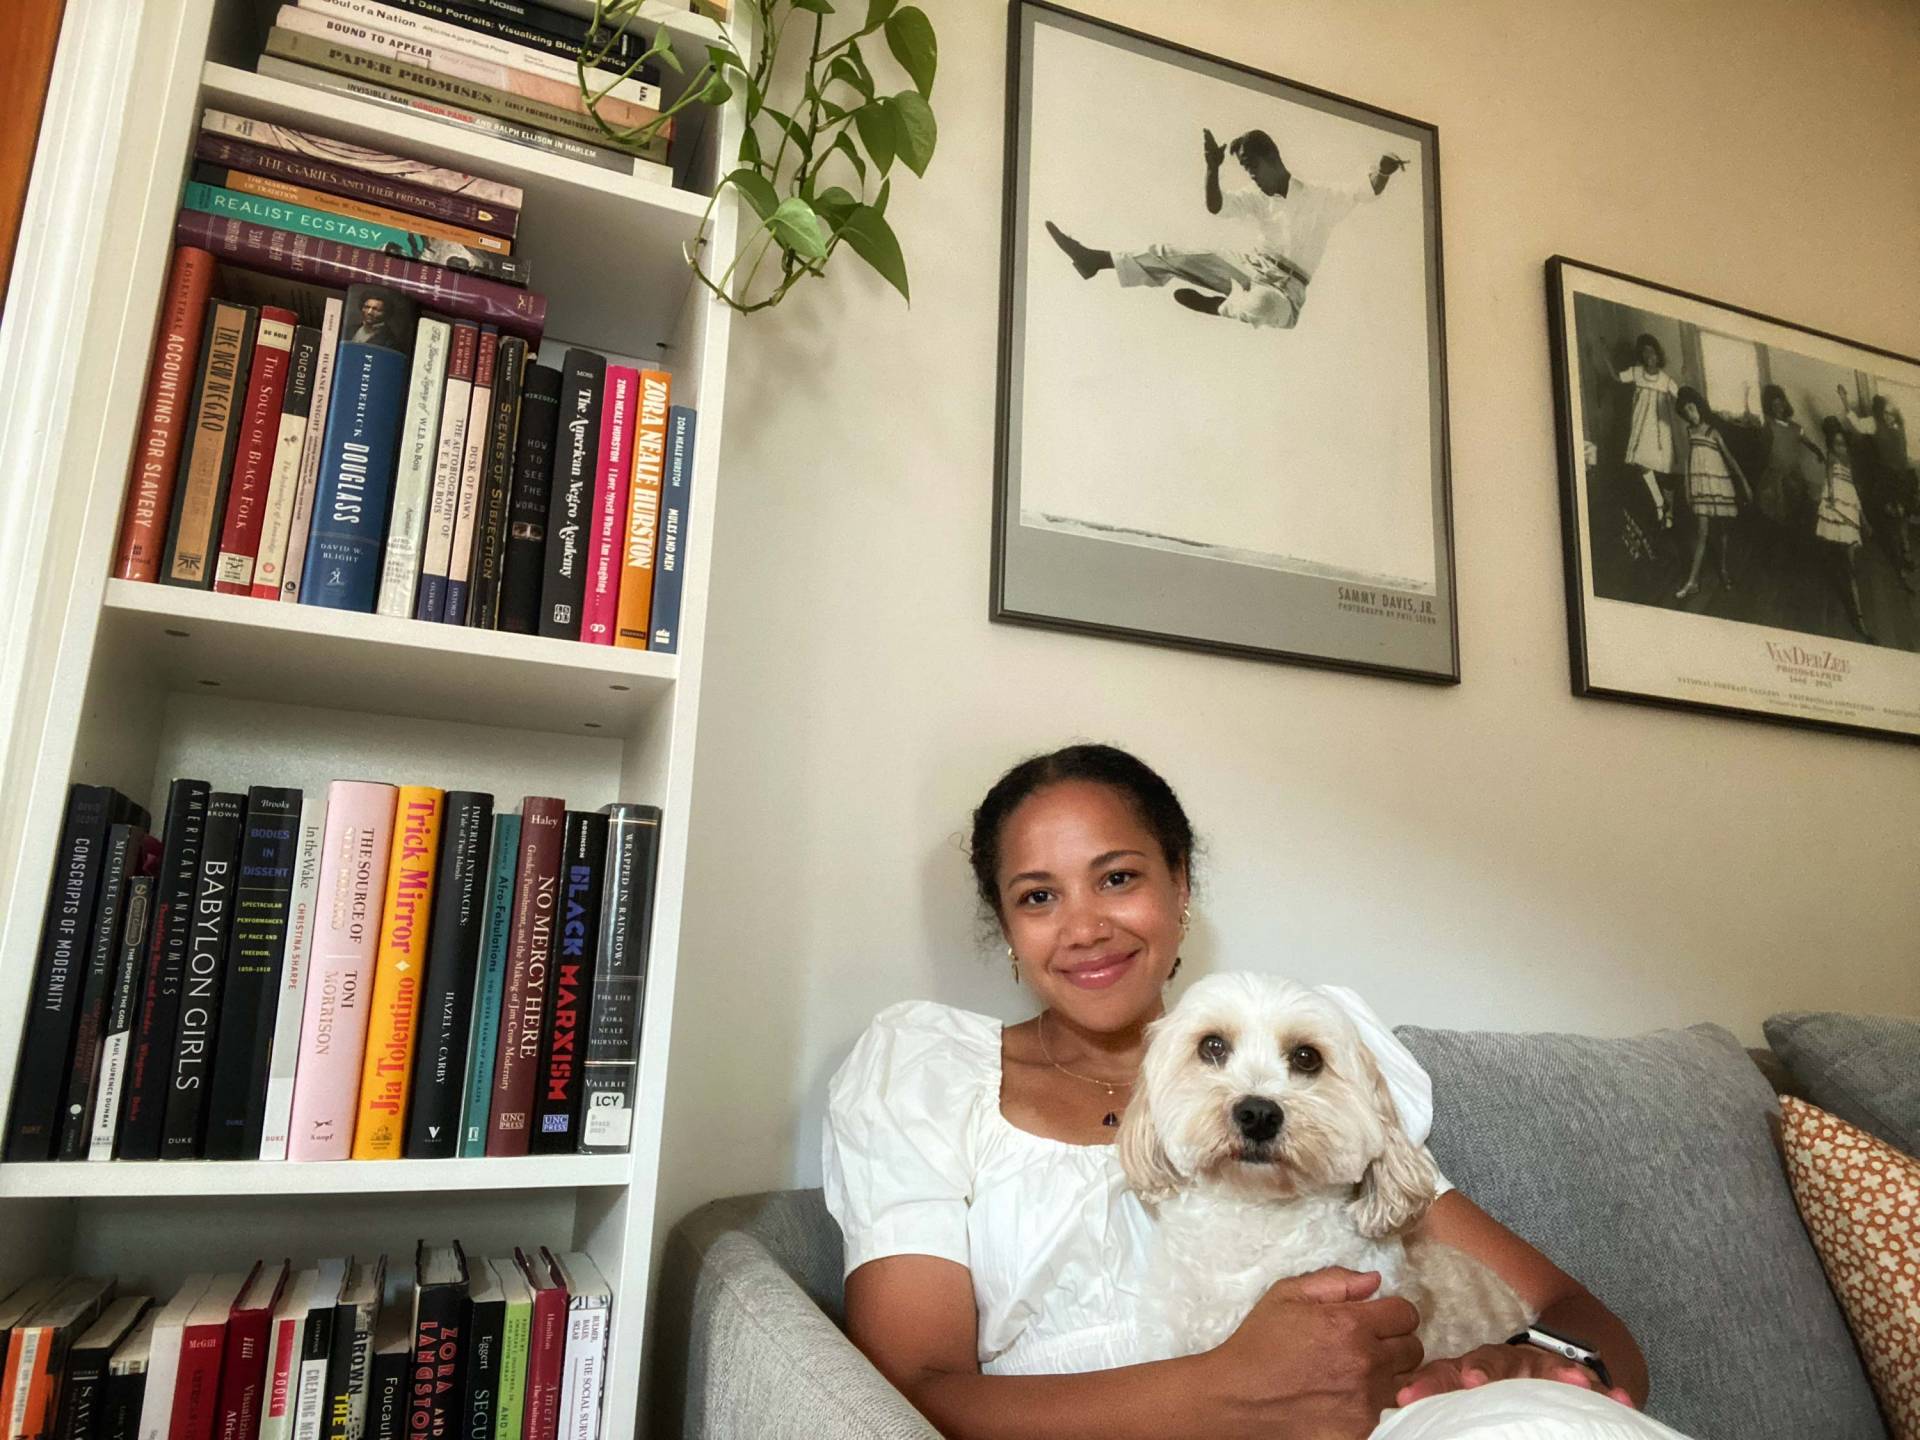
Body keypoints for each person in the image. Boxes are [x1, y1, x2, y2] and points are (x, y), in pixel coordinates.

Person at [824, 744, 1685, 1440]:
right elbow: (910, 1395)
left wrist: (1519, 1367)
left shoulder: (1315, 1084)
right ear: (1007, 928)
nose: (1085, 925)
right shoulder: (929, 1075)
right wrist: (1225, 1389)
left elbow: (1580, 1319)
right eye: (1039, 896)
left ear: (1180, 885)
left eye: (1118, 877)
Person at [1042, 128, 1407, 331]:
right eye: (1244, 169)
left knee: (1262, 305)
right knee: (1170, 253)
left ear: (1272, 160)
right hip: (1251, 266)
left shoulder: (1319, 198)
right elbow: (1216, 206)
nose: (1249, 175)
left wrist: (1385, 168)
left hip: (1287, 293)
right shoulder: (1255, 197)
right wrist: (1212, 168)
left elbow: (1365, 189)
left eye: (1251, 167)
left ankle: (1219, 307)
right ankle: (1094, 259)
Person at [1594, 334, 1682, 531]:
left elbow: (1681, 400)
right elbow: (1616, 377)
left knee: (1667, 473)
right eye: (1645, 351)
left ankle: (1670, 512)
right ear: (1642, 356)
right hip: (1643, 429)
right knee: (1642, 463)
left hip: (1662, 431)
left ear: (1658, 354)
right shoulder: (1637, 372)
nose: (1649, 355)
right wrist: (1604, 354)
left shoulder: (1667, 380)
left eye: (1652, 351)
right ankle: (1660, 503)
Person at [1673, 387, 1751, 602]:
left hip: (1719, 486)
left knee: (1723, 530)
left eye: (1691, 407)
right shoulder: (1689, 432)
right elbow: (1689, 463)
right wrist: (1688, 487)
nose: (1690, 413)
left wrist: (1744, 483)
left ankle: (1724, 569)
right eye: (1685, 411)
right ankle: (1692, 582)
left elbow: (1730, 459)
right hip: (1700, 487)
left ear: (1698, 406)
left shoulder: (1713, 432)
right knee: (1702, 532)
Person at [1838, 383, 1918, 586]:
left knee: (1903, 518)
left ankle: (1906, 553)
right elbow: (1855, 423)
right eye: (1885, 412)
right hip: (1887, 479)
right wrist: (1844, 399)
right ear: (1880, 412)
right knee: (1893, 519)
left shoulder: (1900, 425)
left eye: (1891, 412)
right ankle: (1900, 563)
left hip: (1903, 478)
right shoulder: (1874, 424)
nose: (1888, 416)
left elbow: (1903, 451)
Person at [1814, 416, 1873, 640]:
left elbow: (1854, 497)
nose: (1842, 447)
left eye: (1843, 443)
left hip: (1849, 514)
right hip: (1837, 512)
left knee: (1849, 564)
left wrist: (1864, 520)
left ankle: (1858, 613)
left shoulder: (1849, 467)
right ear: (1831, 446)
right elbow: (1829, 483)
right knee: (1847, 566)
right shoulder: (1831, 459)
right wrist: (1829, 498)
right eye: (1837, 443)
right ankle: (1859, 619)